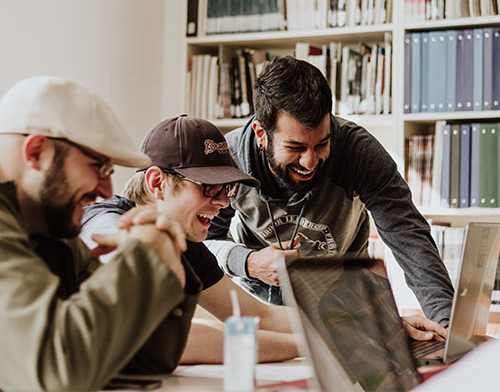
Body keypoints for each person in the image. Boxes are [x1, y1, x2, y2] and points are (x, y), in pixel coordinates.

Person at [205, 55, 455, 329]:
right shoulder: (229, 161)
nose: (310, 162)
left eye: (322, 144)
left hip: (346, 307)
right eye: (295, 148)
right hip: (262, 312)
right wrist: (248, 262)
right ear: (261, 134)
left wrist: (447, 327)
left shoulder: (359, 152)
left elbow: (411, 240)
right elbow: (203, 243)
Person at [0, 77, 198, 392]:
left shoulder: (51, 232)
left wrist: (162, 252)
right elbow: (56, 372)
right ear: (37, 152)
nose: (107, 191)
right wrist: (145, 257)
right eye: (99, 167)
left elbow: (143, 360)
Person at [81, 115, 301, 363]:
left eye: (227, 189)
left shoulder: (184, 242)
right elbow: (162, 336)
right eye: (209, 187)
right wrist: (306, 346)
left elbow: (257, 316)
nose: (224, 202)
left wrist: (338, 326)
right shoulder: (105, 225)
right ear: (157, 183)